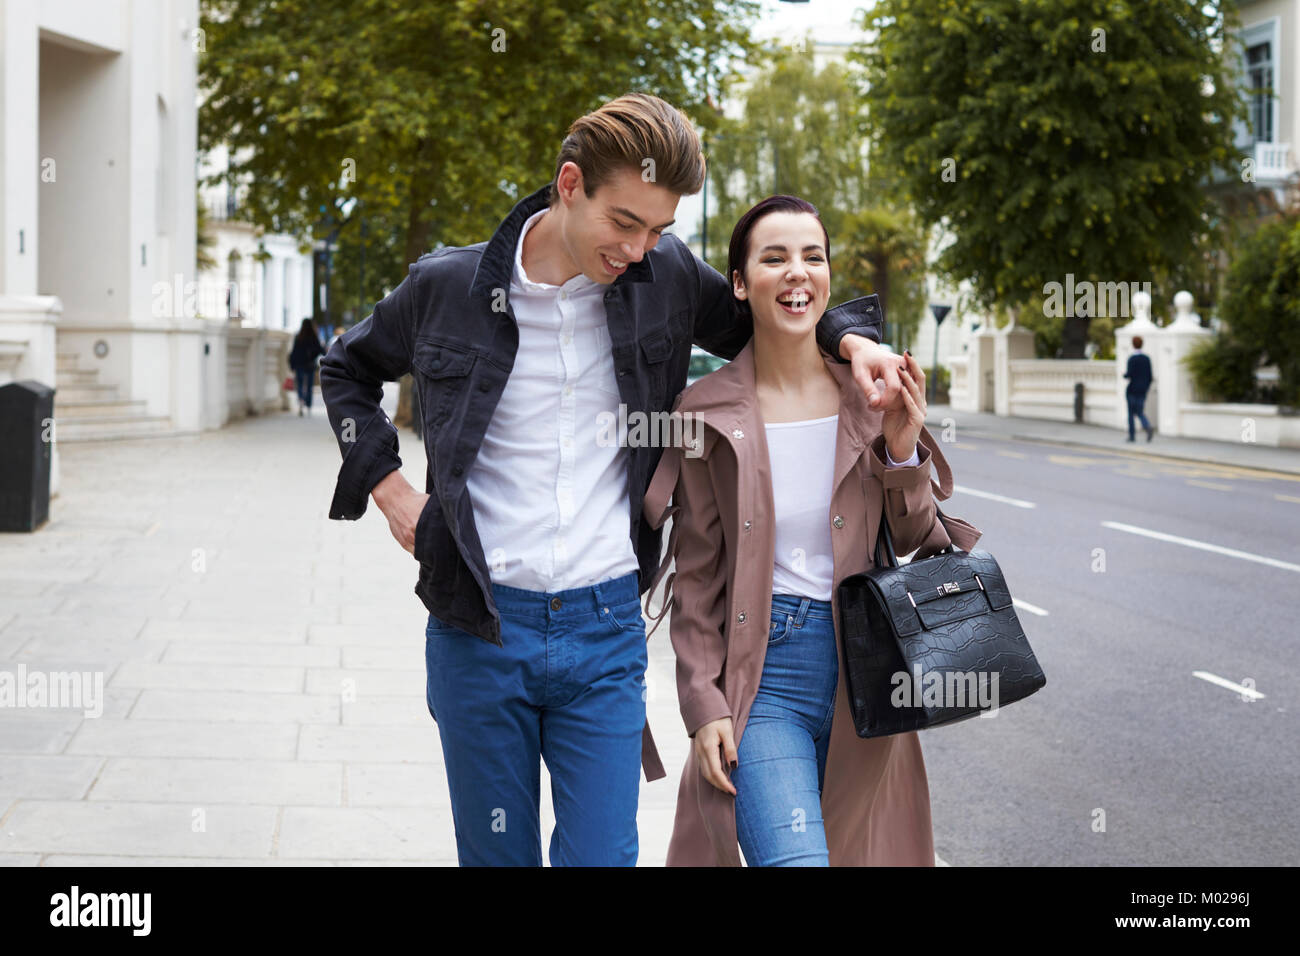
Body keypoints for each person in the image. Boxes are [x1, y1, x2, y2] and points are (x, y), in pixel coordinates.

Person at [318, 94, 905, 867]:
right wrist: (393, 495)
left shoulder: (662, 279)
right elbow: (346, 368)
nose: (638, 247)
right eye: (624, 222)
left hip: (604, 635)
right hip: (478, 626)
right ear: (570, 185)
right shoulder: (447, 288)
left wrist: (853, 338)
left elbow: (774, 313)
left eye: (659, 229)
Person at [642, 195, 984, 866]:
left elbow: (915, 535)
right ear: (740, 284)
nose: (797, 272)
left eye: (813, 257)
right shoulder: (705, 412)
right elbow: (700, 576)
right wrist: (702, 702)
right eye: (774, 258)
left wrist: (904, 449)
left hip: (866, 673)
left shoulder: (870, 398)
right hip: (762, 676)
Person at [288, 318, 326, 417]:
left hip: (299, 364)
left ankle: (301, 400)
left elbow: (294, 352)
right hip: (310, 364)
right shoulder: (314, 336)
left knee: (300, 384)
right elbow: (320, 349)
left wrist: (292, 364)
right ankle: (308, 404)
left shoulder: (298, 336)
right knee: (309, 385)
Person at [1124, 335, 1154, 442]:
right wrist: (1145, 387)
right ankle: (1147, 426)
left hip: (1132, 390)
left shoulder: (1132, 359)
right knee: (1140, 411)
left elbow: (1129, 374)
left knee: (1131, 413)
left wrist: (1124, 375)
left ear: (1133, 345)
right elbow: (1150, 376)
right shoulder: (1147, 359)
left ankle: (1132, 436)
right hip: (1142, 390)